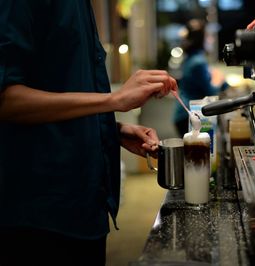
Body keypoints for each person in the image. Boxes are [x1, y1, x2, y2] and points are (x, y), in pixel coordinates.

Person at [0, 1, 177, 266]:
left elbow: (58, 88)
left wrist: (110, 129)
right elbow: (6, 99)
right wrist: (113, 100)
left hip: (85, 207)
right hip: (39, 216)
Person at [173, 19, 228, 137]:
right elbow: (211, 93)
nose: (211, 40)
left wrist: (220, 80)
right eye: (208, 36)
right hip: (189, 114)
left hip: (185, 113)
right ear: (201, 39)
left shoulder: (192, 58)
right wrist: (218, 78)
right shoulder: (198, 62)